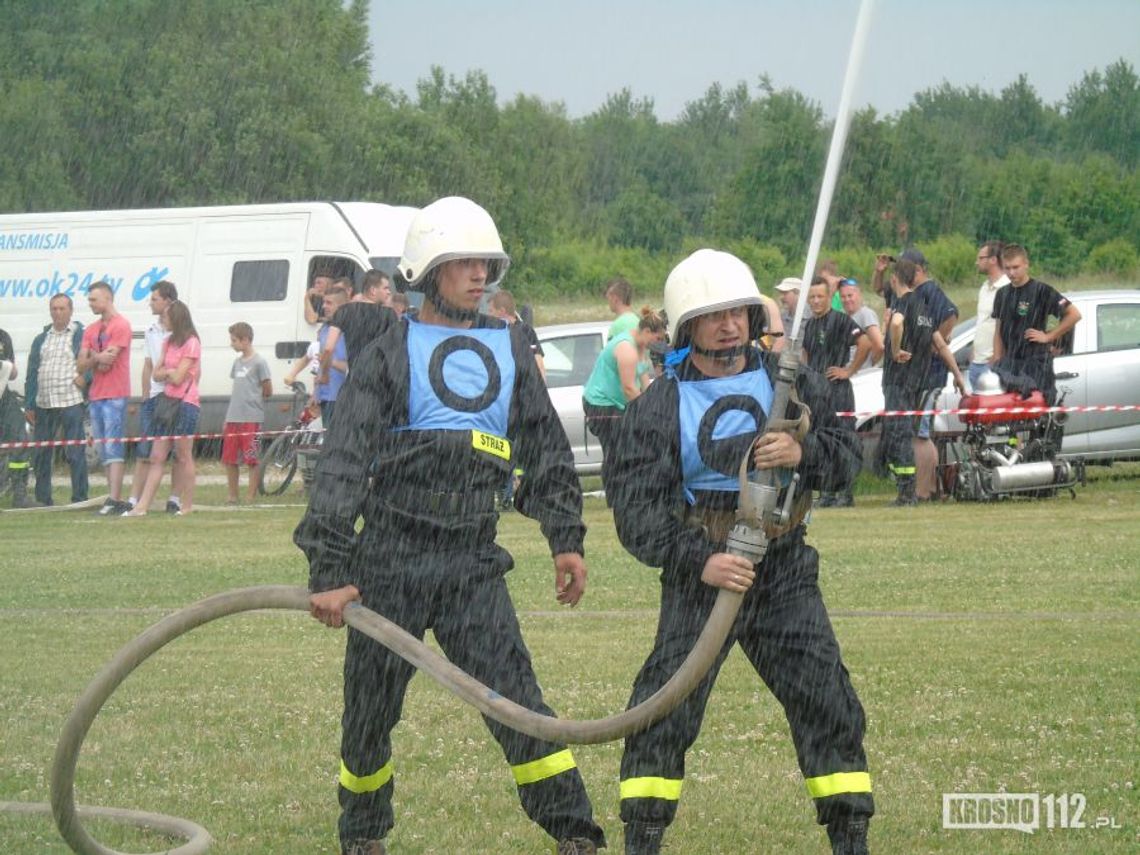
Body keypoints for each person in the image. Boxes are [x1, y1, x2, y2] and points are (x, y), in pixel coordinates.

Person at [293, 196, 606, 855]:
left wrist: (566, 539)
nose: (477, 275)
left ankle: (575, 832)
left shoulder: (510, 352)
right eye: (461, 262)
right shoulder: (390, 352)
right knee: (369, 717)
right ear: (427, 272)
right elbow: (344, 461)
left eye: (484, 263)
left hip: (472, 564)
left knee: (517, 702)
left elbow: (545, 450)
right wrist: (329, 567)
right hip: (388, 562)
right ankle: (362, 834)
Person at [606, 249, 873, 855]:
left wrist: (804, 455)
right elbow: (636, 512)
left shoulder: (792, 383)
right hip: (704, 575)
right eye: (712, 315)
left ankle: (849, 834)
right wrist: (699, 559)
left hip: (783, 573)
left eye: (738, 312)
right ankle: (643, 837)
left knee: (825, 699)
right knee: (663, 708)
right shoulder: (659, 405)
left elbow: (846, 457)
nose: (728, 325)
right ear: (686, 327)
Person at [881, 259, 966, 506]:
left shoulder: (903, 305)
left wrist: (896, 350)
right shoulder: (924, 309)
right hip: (917, 382)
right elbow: (940, 344)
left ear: (895, 278)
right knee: (908, 433)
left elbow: (897, 324)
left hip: (897, 381)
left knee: (899, 435)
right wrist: (958, 375)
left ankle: (906, 493)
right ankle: (911, 490)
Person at [125, 301, 201, 516]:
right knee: (157, 456)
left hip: (186, 404)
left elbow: (177, 378)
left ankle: (186, 505)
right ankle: (142, 506)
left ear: (176, 318)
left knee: (183, 455)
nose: (161, 320)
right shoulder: (167, 342)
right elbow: (156, 374)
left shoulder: (192, 342)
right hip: (166, 402)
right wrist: (170, 372)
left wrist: (168, 372)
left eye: (165, 317)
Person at [802, 278, 870, 508]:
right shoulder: (809, 325)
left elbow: (866, 343)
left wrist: (849, 370)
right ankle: (827, 492)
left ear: (830, 297)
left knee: (843, 440)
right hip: (816, 392)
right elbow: (806, 356)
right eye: (812, 297)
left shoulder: (841, 320)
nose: (816, 301)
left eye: (820, 296)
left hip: (838, 390)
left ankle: (845, 493)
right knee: (821, 441)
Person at [897, 249, 957, 502]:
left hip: (930, 373)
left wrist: (936, 343)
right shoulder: (915, 294)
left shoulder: (930, 290)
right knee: (920, 432)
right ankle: (929, 488)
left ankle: (924, 490)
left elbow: (951, 313)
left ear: (918, 270)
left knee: (920, 433)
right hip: (920, 375)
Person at [991, 244, 1080, 406]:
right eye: (1007, 268)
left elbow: (1074, 314)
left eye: (1016, 267)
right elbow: (998, 330)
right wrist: (997, 359)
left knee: (1038, 415)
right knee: (1009, 417)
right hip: (1009, 363)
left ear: (1026, 264)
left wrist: (1049, 336)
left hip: (1035, 362)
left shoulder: (1042, 291)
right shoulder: (1001, 294)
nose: (1011, 273)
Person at [582, 307, 668, 473]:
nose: (658, 343)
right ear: (647, 331)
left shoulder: (641, 345)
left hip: (617, 403)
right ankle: (617, 487)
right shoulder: (627, 348)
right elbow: (629, 388)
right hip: (601, 404)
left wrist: (654, 404)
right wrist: (647, 414)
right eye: (658, 338)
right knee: (618, 453)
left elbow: (643, 379)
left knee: (631, 448)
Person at [24, 294, 88, 506]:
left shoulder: (81, 335)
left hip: (71, 401)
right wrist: (29, 403)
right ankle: (43, 498)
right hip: (44, 404)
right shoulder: (41, 339)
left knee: (75, 452)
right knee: (42, 453)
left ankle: (79, 498)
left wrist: (85, 379)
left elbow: (94, 362)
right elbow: (32, 372)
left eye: (62, 308)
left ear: (70, 311)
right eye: (54, 308)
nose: (57, 312)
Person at [77, 281, 132, 515]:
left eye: (93, 300)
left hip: (115, 393)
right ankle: (112, 498)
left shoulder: (121, 325)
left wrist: (94, 357)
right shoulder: (90, 329)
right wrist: (96, 358)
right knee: (102, 448)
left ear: (107, 299)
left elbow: (110, 361)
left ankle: (114, 497)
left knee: (113, 445)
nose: (90, 304)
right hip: (96, 394)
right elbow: (80, 364)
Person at [126, 280, 180, 514]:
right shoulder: (151, 331)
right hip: (154, 398)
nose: (151, 303)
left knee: (178, 451)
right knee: (145, 450)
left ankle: (175, 499)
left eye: (155, 299)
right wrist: (145, 396)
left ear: (168, 301)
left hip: (175, 397)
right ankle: (133, 498)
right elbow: (148, 365)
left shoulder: (183, 332)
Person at [222, 322, 272, 504]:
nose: (231, 344)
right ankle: (233, 495)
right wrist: (228, 418)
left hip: (252, 419)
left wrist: (256, 402)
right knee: (230, 459)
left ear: (245, 340)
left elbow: (267, 388)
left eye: (234, 340)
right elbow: (236, 390)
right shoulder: (236, 363)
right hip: (233, 418)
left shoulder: (259, 362)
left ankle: (251, 495)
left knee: (252, 458)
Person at [0, 326, 33, 507]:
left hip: (4, 398)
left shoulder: (3, 336)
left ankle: (19, 493)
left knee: (20, 440)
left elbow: (13, 374)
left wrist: (7, 367)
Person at [969, 242, 1009, 390]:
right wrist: (973, 354)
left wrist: (997, 357)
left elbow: (1007, 326)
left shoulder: (1007, 288)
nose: (976, 262)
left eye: (980, 258)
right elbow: (982, 322)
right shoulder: (984, 287)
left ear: (993, 260)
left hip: (993, 364)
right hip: (976, 363)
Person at [837, 280, 884, 370]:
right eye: (843, 296)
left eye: (850, 295)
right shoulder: (842, 315)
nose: (847, 299)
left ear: (858, 295)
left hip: (860, 375)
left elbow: (879, 346)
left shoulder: (865, 314)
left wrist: (869, 364)